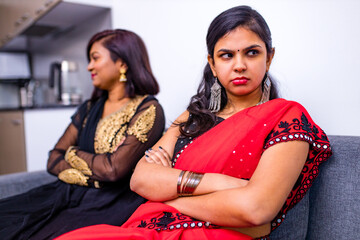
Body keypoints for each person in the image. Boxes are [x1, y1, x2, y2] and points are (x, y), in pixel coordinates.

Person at [55, 6, 332, 240]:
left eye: (251, 53)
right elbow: (140, 179)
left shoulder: (287, 117)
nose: (239, 65)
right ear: (212, 64)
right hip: (146, 228)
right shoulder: (192, 116)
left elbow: (256, 210)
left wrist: (168, 193)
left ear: (269, 57)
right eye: (226, 55)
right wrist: (225, 184)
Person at [0, 29, 165, 240]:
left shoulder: (148, 110)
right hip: (64, 193)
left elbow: (115, 170)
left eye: (95, 58)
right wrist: (97, 170)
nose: (89, 66)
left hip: (108, 203)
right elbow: (52, 159)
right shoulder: (89, 108)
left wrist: (72, 153)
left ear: (122, 64)